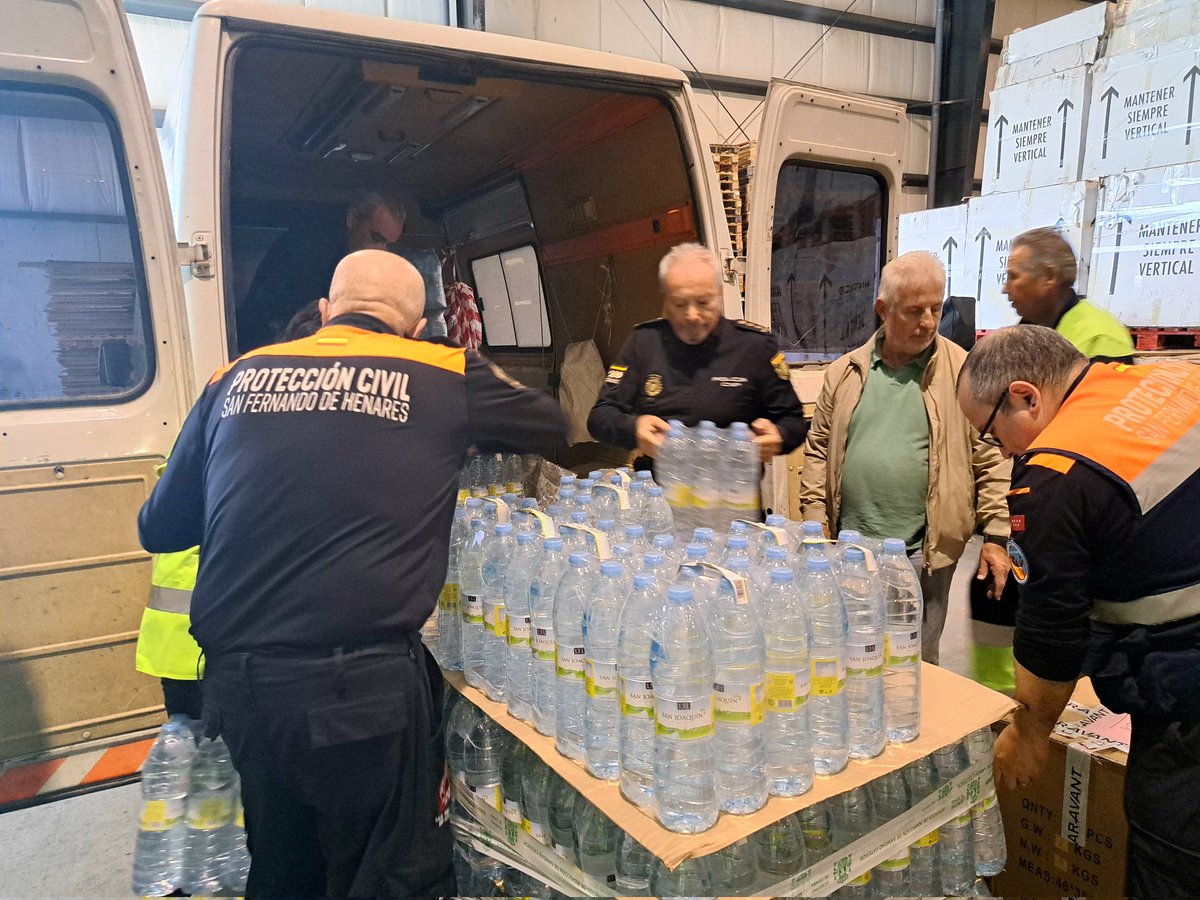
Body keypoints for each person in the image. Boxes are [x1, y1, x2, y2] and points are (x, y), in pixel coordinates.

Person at [138, 250, 566, 897]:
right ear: (416, 327)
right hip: (356, 690)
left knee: (282, 866)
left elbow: (159, 528)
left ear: (322, 313)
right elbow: (549, 424)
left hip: (242, 685)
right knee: (383, 875)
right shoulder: (437, 369)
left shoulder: (236, 374)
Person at [957, 325, 1200, 896]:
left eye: (993, 434)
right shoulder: (1170, 382)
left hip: (1188, 702)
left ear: (1025, 396)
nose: (1004, 453)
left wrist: (1032, 730)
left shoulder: (1054, 472)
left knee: (1173, 863)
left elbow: (1051, 622)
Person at [799, 251, 1011, 664]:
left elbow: (990, 453)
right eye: (915, 311)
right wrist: (812, 518)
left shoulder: (965, 372)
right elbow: (819, 448)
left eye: (936, 307)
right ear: (883, 310)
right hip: (851, 551)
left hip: (925, 554)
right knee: (849, 655)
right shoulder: (846, 372)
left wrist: (997, 535)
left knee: (914, 664)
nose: (929, 322)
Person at [135, 307, 327, 724]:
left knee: (204, 777)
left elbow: (157, 525)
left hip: (187, 643)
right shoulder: (278, 428)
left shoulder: (231, 408)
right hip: (223, 647)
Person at [587, 242, 808, 465]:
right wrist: (634, 428)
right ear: (665, 302)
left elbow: (794, 421)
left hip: (732, 490)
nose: (692, 315)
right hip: (659, 494)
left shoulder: (754, 346)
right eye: (680, 304)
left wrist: (779, 436)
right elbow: (600, 417)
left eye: (703, 302)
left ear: (719, 296)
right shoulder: (644, 343)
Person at [237, 192, 406, 351]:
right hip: (269, 345)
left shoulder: (333, 247)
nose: (382, 251)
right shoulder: (312, 248)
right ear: (353, 219)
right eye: (376, 238)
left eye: (388, 245)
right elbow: (303, 322)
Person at [1004, 226, 1135, 363]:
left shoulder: (1099, 340)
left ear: (1049, 276)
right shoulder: (1034, 325)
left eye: (1013, 276)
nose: (1005, 289)